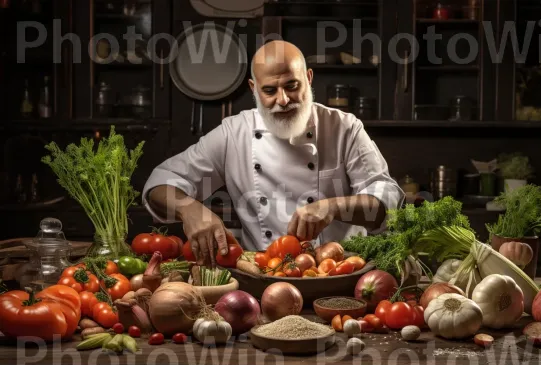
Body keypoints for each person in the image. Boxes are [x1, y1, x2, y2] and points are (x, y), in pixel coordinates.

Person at [142, 40, 404, 267]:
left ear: (309, 79)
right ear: (253, 88)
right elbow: (161, 182)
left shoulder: (343, 127)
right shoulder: (233, 134)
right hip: (266, 277)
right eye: (270, 90)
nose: (283, 99)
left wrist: (333, 207)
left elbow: (388, 197)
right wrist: (191, 211)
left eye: (292, 85)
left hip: (341, 275)